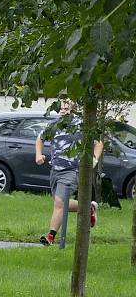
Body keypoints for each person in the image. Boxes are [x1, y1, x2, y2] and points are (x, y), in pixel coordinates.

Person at [35, 99, 103, 246]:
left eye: (67, 103)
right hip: (55, 170)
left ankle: (50, 237)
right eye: (61, 104)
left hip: (72, 170)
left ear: (73, 107)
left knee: (59, 203)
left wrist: (95, 159)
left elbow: (98, 143)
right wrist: (38, 155)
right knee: (59, 204)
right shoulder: (54, 125)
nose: (64, 106)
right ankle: (89, 207)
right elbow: (40, 138)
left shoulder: (81, 125)